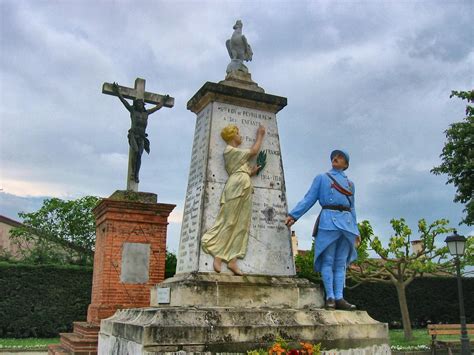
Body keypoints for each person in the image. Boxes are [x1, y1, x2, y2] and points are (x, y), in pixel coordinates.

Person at [285, 150, 361, 310]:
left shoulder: (350, 184)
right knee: (328, 260)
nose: (336, 158)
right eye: (334, 156)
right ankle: (330, 297)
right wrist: (294, 215)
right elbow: (309, 198)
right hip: (328, 220)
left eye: (340, 157)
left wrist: (356, 231)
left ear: (346, 164)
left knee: (341, 263)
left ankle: (340, 297)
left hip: (347, 224)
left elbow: (352, 208)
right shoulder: (322, 178)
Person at [201, 124, 265, 276]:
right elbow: (254, 151)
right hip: (235, 186)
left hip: (244, 185)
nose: (240, 135)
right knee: (228, 221)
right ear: (232, 135)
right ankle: (218, 254)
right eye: (238, 133)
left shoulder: (236, 154)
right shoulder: (230, 151)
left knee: (242, 224)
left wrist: (250, 172)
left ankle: (233, 260)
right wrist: (260, 135)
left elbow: (241, 170)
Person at [112, 82, 169, 183]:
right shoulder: (133, 111)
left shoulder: (146, 113)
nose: (139, 105)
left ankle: (136, 174)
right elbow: (124, 101)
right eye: (137, 103)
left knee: (139, 155)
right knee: (136, 151)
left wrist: (163, 101)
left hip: (142, 137)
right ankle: (133, 173)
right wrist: (117, 92)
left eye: (140, 104)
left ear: (143, 105)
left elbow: (157, 108)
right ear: (135, 105)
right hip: (133, 135)